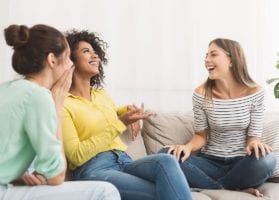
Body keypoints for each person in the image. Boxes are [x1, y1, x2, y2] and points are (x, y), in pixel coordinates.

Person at [62, 29, 193, 200]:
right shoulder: (64, 103)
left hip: (124, 161)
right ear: (70, 60)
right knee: (163, 191)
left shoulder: (101, 95)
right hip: (95, 169)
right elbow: (76, 156)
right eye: (86, 51)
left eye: (96, 52)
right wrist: (121, 123)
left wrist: (129, 111)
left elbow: (112, 111)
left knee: (166, 160)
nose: (95, 56)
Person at [0, 24, 120, 200]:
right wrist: (57, 104)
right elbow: (56, 176)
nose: (71, 64)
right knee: (106, 192)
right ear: (52, 60)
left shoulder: (6, 89)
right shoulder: (39, 96)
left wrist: (18, 175)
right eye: (68, 58)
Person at [162, 38, 276, 197]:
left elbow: (253, 138)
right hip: (210, 162)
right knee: (166, 155)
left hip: (242, 163)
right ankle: (228, 188)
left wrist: (256, 144)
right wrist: (186, 147)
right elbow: (201, 135)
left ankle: (209, 185)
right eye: (206, 55)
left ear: (231, 60)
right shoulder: (201, 94)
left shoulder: (255, 93)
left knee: (268, 160)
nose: (207, 60)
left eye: (213, 55)